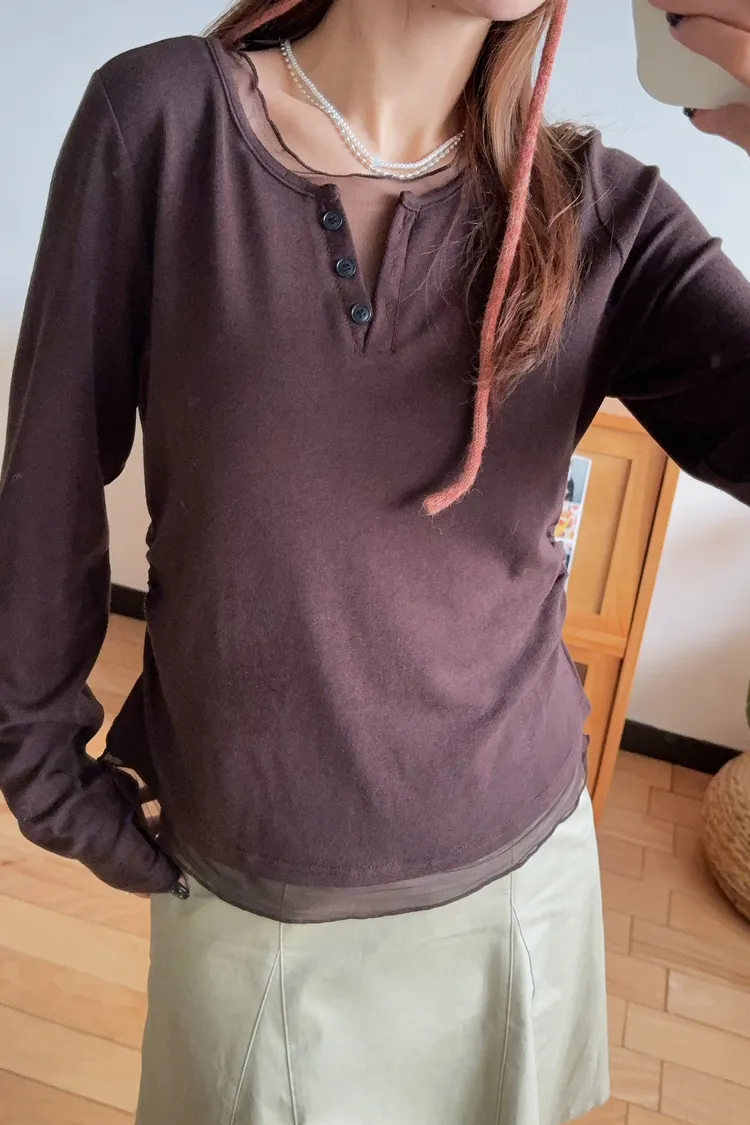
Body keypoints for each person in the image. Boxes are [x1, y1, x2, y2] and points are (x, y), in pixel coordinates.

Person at [1, 0, 749, 1122]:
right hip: (261, 899)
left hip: (523, 881)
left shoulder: (601, 211)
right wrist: (39, 759)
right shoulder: (161, 123)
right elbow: (50, 470)